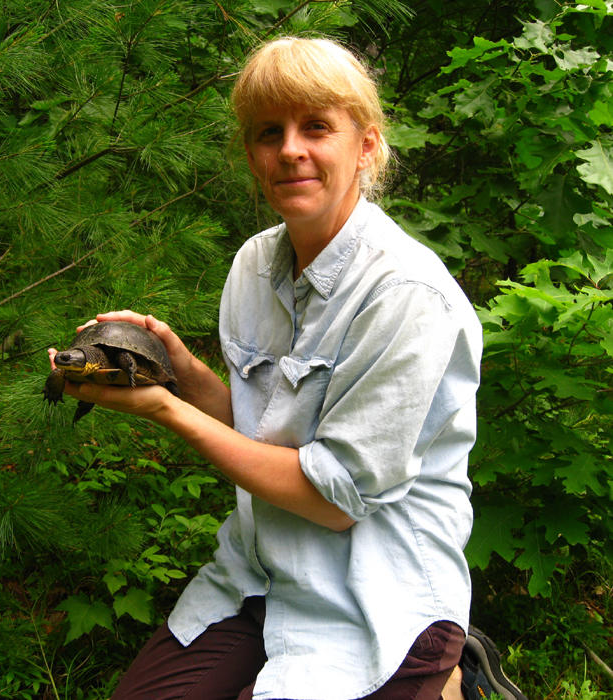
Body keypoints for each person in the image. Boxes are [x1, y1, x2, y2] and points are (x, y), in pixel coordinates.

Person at [49, 37, 527, 700]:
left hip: (378, 599)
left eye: (317, 127)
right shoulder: (253, 265)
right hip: (259, 574)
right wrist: (182, 373)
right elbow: (259, 431)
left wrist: (166, 409)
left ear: (365, 145)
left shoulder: (408, 295)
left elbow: (334, 501)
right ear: (251, 155)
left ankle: (448, 675)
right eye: (269, 132)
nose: (291, 150)